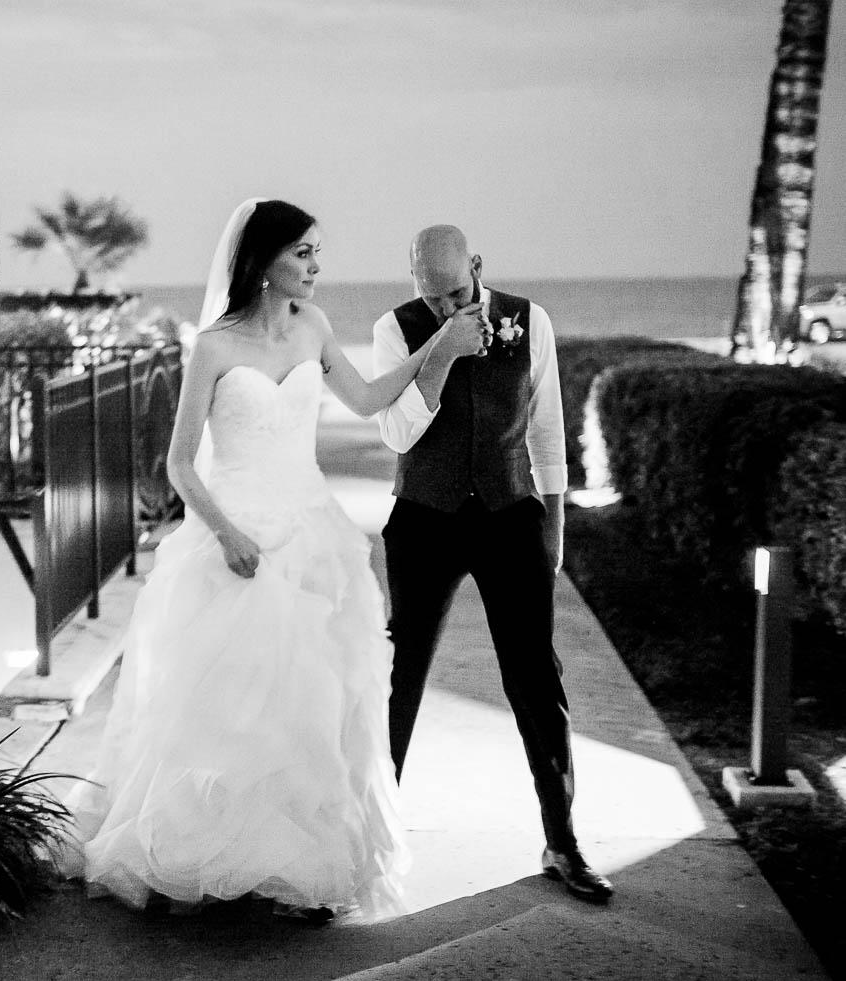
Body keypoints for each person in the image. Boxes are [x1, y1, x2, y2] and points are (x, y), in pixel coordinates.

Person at [56, 199, 487, 923]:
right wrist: (225, 533)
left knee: (310, 711)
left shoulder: (315, 327)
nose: (317, 268)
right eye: (303, 255)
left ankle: (291, 870)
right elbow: (179, 464)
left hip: (313, 538)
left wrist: (437, 346)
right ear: (263, 263)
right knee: (229, 715)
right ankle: (203, 859)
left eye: (318, 253)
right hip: (236, 539)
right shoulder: (216, 347)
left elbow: (370, 397)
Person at [372, 224, 614, 903]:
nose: (447, 307)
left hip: (510, 512)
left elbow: (545, 426)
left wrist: (555, 523)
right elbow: (397, 432)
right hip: (425, 517)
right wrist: (440, 355)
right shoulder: (395, 329)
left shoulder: (530, 321)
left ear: (476, 267)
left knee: (537, 678)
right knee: (401, 678)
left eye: (455, 294)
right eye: (432, 296)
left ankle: (562, 842)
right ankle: (368, 845)